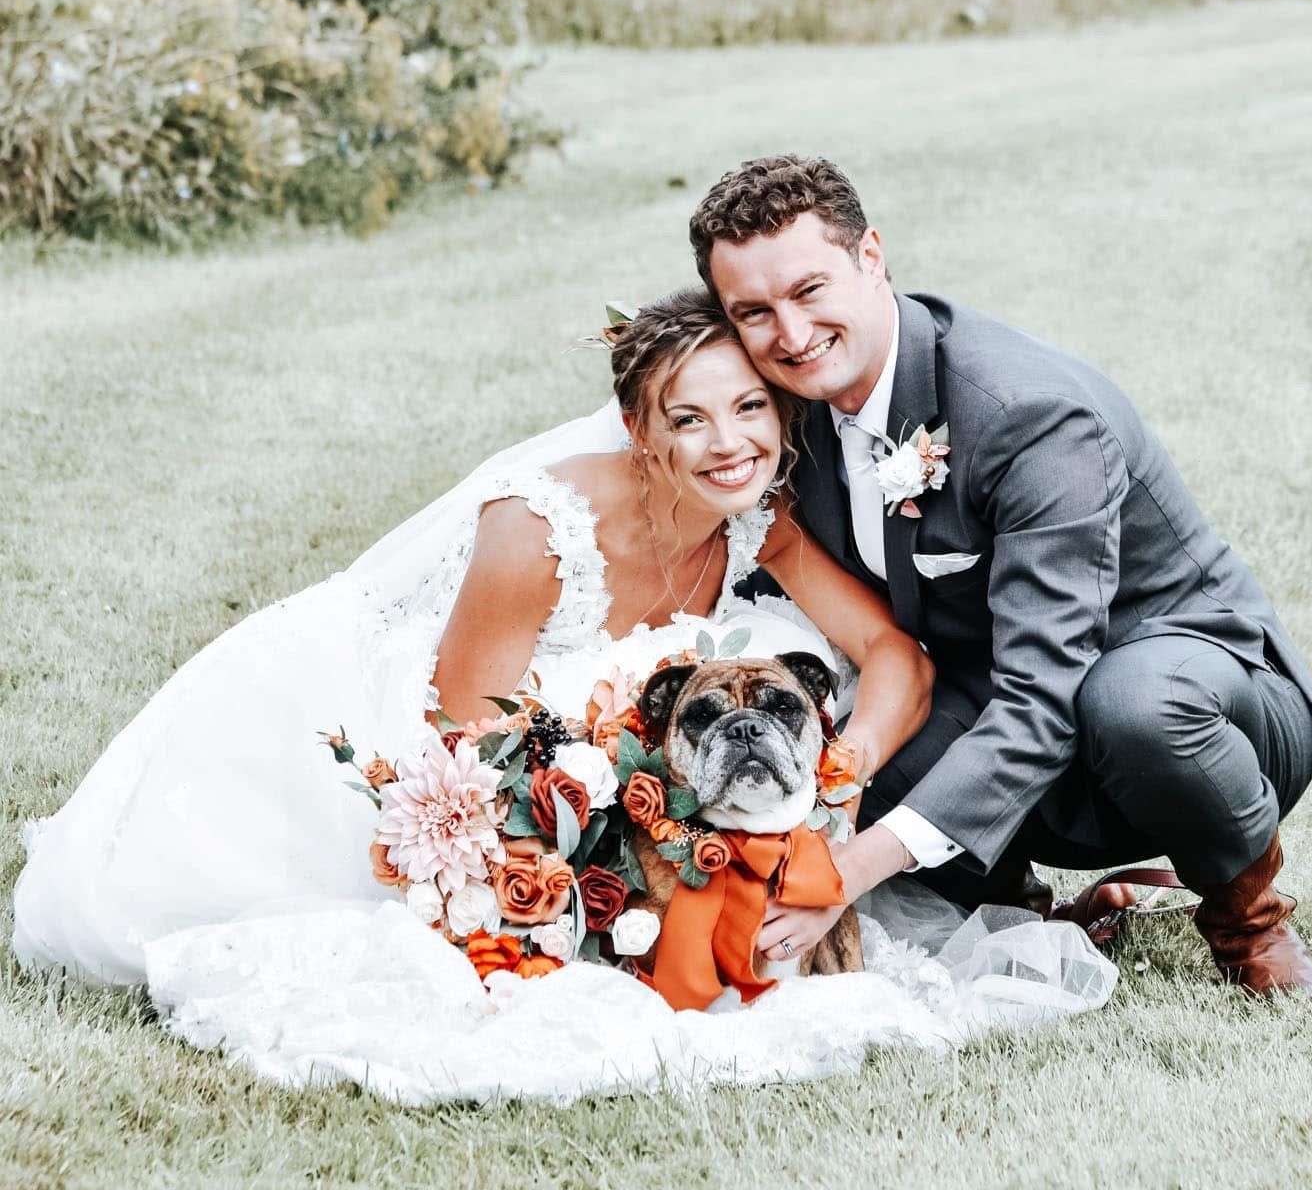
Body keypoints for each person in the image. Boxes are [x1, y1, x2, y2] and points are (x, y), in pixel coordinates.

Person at [12, 290, 1115, 1104]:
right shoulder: (536, 527)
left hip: (590, 733)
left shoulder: (754, 509)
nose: (727, 441)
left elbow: (896, 657)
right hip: (431, 722)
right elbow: (459, 729)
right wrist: (582, 841)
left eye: (748, 408)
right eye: (689, 418)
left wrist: (837, 774)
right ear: (640, 431)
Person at [691, 154, 1312, 995]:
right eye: (753, 312)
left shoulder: (1028, 415)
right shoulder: (775, 404)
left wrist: (850, 869)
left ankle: (1244, 914)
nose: (788, 334)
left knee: (1134, 703)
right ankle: (1019, 911)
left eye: (808, 291)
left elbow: (1046, 692)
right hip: (1013, 716)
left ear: (870, 259)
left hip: (1194, 704)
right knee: (859, 733)